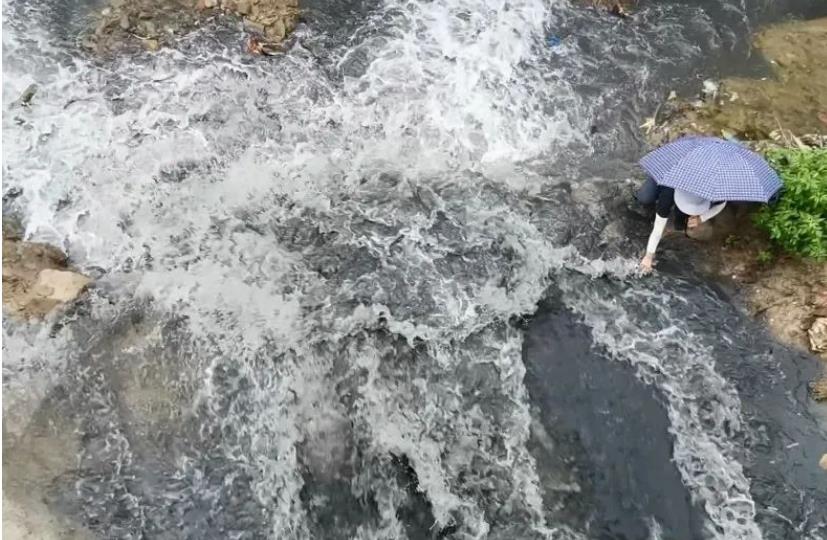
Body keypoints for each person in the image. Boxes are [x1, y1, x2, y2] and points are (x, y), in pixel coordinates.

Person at [637, 180, 726, 273]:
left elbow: (722, 204)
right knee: (644, 198)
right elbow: (657, 229)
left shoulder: (713, 190)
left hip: (694, 188)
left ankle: (679, 216)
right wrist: (649, 256)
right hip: (668, 183)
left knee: (679, 225)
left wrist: (701, 218)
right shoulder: (667, 194)